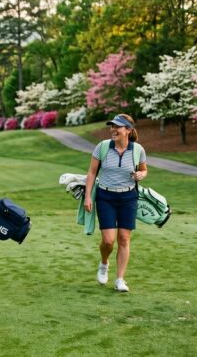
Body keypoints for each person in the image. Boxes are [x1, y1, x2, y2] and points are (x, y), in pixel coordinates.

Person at [84, 113, 148, 292]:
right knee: (108, 241)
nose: (113, 130)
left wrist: (141, 174)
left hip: (128, 198)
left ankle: (120, 279)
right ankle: (104, 263)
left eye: (117, 127)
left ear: (128, 130)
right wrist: (88, 196)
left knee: (124, 239)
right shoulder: (103, 147)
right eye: (112, 126)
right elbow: (91, 172)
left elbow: (144, 170)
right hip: (106, 197)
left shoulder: (137, 150)